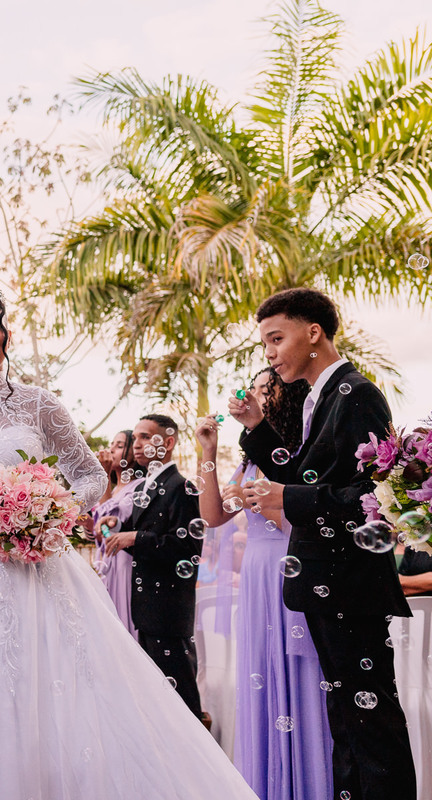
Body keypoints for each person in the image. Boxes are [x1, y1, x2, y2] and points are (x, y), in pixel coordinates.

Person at [0, 277, 258, 799]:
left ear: (8, 333)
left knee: (50, 685)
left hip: (29, 563)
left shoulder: (39, 404)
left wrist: (48, 514)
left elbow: (88, 474)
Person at [233, 287, 416, 800]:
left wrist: (285, 495)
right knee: (346, 722)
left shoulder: (355, 393)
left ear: (313, 333)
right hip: (325, 584)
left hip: (350, 584)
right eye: (265, 342)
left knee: (372, 724)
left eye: (276, 338)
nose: (269, 353)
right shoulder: (322, 397)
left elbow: (368, 495)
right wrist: (258, 429)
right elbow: (307, 473)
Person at [196, 367, 333, 799]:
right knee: (261, 678)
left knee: (299, 674)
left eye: (262, 388)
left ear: (285, 397)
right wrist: (208, 451)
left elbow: (307, 524)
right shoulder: (253, 460)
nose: (251, 395)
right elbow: (214, 516)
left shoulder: (299, 454)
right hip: (256, 575)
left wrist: (269, 502)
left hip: (289, 568)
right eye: (250, 389)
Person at [104, 413, 206, 718]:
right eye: (135, 437)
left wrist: (135, 537)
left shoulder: (181, 487)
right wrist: (115, 528)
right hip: (146, 609)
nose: (137, 444)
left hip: (169, 611)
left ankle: (198, 760)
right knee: (159, 700)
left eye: (146, 436)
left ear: (169, 442)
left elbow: (188, 548)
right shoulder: (145, 487)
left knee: (182, 697)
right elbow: (141, 541)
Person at [91, 428, 139, 637]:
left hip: (124, 566)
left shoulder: (139, 487)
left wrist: (103, 475)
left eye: (119, 446)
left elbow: (108, 523)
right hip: (107, 564)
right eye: (112, 445)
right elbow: (99, 532)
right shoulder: (114, 489)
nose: (111, 450)